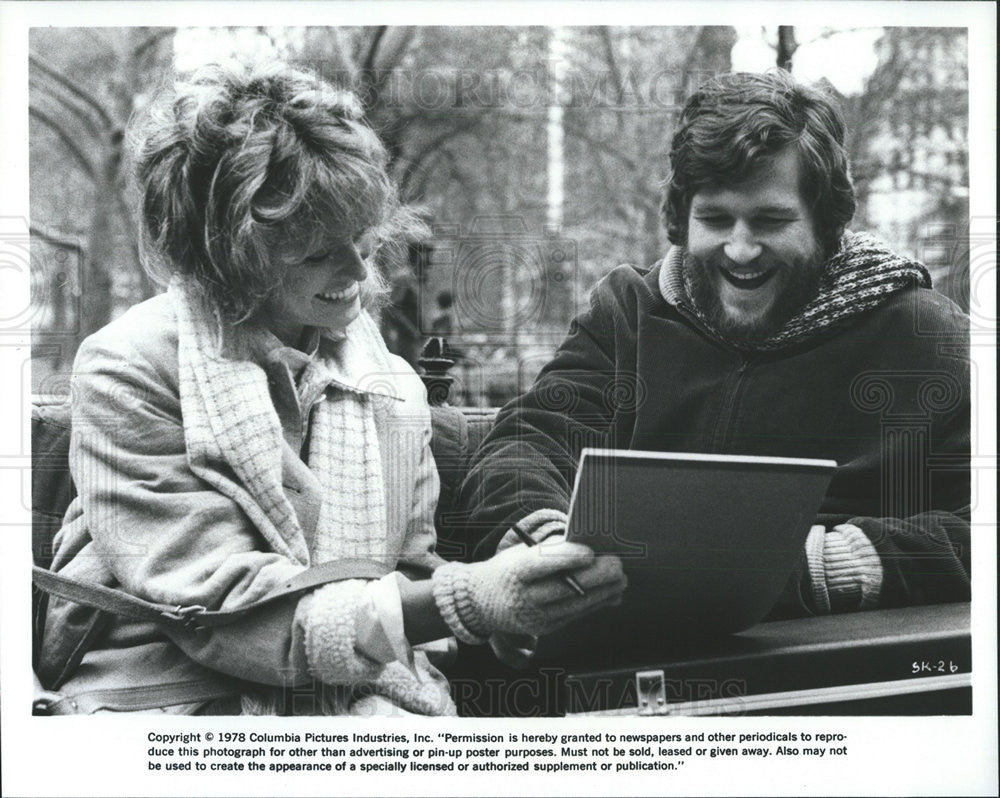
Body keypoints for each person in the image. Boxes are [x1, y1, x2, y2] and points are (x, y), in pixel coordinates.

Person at [35, 61, 626, 716]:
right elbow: (226, 615)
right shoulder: (129, 367)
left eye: (362, 242)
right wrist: (469, 597)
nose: (357, 273)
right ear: (221, 254)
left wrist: (510, 608)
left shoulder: (394, 389)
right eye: (316, 253)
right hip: (160, 699)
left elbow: (410, 589)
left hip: (351, 695)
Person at [458, 70, 970, 622]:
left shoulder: (922, 332)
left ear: (827, 223)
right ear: (682, 220)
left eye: (771, 220)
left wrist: (834, 564)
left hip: (836, 663)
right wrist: (544, 539)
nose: (741, 249)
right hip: (626, 654)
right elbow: (526, 440)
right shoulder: (628, 311)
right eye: (715, 219)